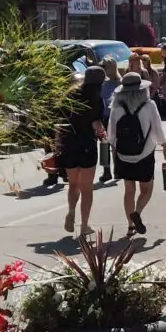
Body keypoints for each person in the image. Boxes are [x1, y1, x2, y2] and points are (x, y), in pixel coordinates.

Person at [110, 72, 165, 234]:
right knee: (146, 189)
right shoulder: (149, 105)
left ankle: (130, 225)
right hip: (145, 154)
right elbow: (158, 129)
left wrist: (115, 156)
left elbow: (112, 135)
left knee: (129, 190)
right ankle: (137, 213)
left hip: (124, 155)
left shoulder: (116, 108)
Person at [54, 72, 106, 240]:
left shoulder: (70, 95)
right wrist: (101, 131)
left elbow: (60, 121)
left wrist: (57, 144)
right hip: (87, 145)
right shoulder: (96, 99)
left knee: (73, 184)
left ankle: (70, 211)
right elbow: (96, 123)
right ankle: (84, 226)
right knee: (87, 188)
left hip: (69, 144)